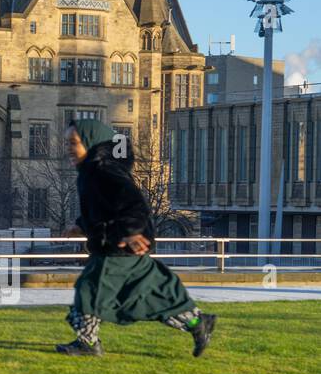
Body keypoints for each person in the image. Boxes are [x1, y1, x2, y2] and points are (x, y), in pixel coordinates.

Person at [57, 118, 217, 357]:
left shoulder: (102, 171)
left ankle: (88, 344)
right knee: (150, 295)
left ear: (91, 143)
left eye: (74, 143)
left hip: (118, 248)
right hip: (117, 246)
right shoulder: (91, 171)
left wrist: (131, 232)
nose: (69, 148)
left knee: (89, 289)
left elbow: (132, 203)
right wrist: (80, 227)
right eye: (67, 143)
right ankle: (198, 323)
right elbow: (100, 210)